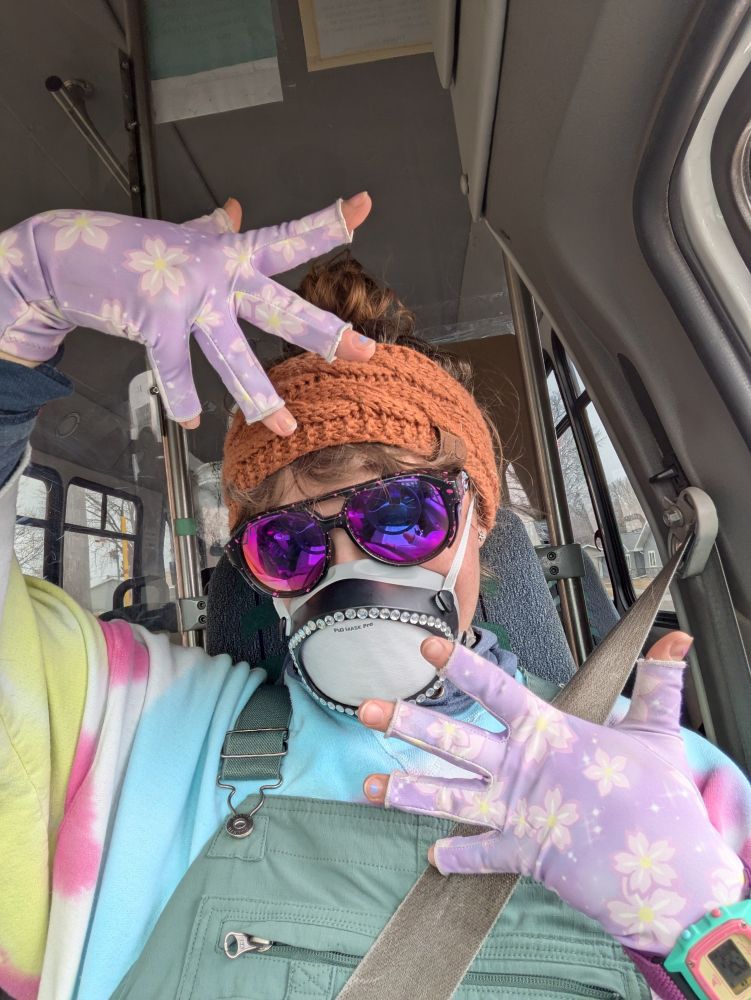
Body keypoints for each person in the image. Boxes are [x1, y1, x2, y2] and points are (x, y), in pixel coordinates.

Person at [0, 197, 748, 1000]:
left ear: (475, 522)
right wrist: (21, 297)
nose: (348, 567)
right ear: (253, 570)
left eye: (400, 517)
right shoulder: (132, 727)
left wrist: (700, 931)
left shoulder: (658, 776)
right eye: (289, 544)